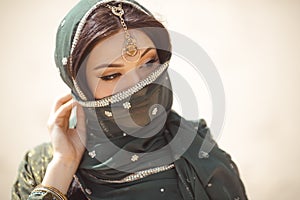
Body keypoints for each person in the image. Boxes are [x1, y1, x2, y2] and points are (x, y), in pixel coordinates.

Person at [11, 0, 247, 199]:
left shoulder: (199, 155)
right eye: (112, 75)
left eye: (148, 63)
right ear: (80, 88)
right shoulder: (41, 167)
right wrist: (62, 167)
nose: (138, 85)